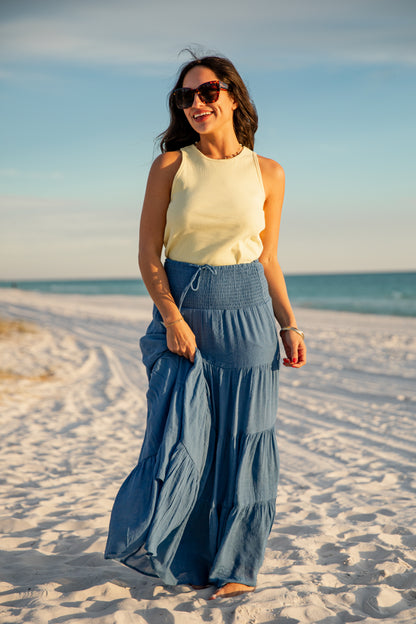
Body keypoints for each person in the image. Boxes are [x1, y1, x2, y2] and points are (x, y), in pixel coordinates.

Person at [105, 53, 306, 600]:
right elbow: (149, 255)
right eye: (185, 97)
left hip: (249, 321)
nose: (196, 103)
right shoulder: (172, 165)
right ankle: (189, 559)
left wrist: (289, 325)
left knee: (246, 443)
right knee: (185, 443)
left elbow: (267, 259)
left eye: (208, 92)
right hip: (185, 317)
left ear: (233, 96)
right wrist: (171, 318)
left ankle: (239, 566)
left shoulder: (269, 172)